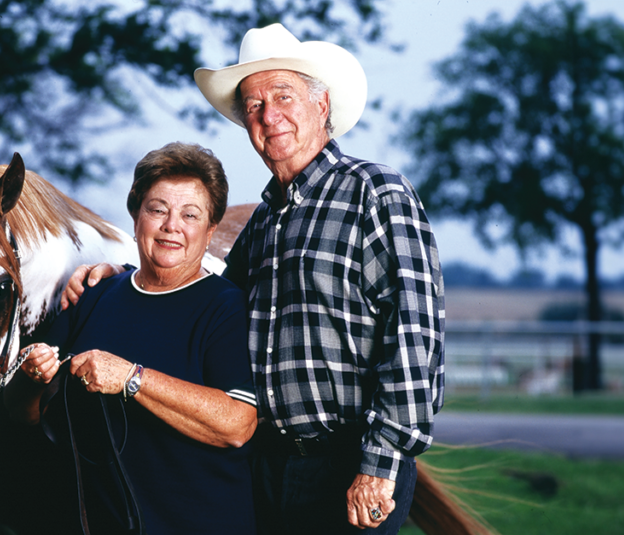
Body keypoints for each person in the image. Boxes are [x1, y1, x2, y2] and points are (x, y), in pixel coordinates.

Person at [62, 23, 446, 535]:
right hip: (266, 462)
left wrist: (381, 463)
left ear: (322, 106)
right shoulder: (266, 221)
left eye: (282, 96)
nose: (269, 115)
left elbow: (416, 338)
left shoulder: (375, 195)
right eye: (254, 106)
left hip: (347, 458)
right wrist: (124, 275)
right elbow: (201, 286)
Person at [7, 142, 258, 535]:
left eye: (190, 215)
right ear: (136, 215)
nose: (171, 226)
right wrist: (31, 374)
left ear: (209, 230)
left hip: (201, 523)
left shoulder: (225, 307)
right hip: (100, 523)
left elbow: (237, 424)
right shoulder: (93, 293)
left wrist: (131, 378)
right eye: (157, 209)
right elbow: (26, 412)